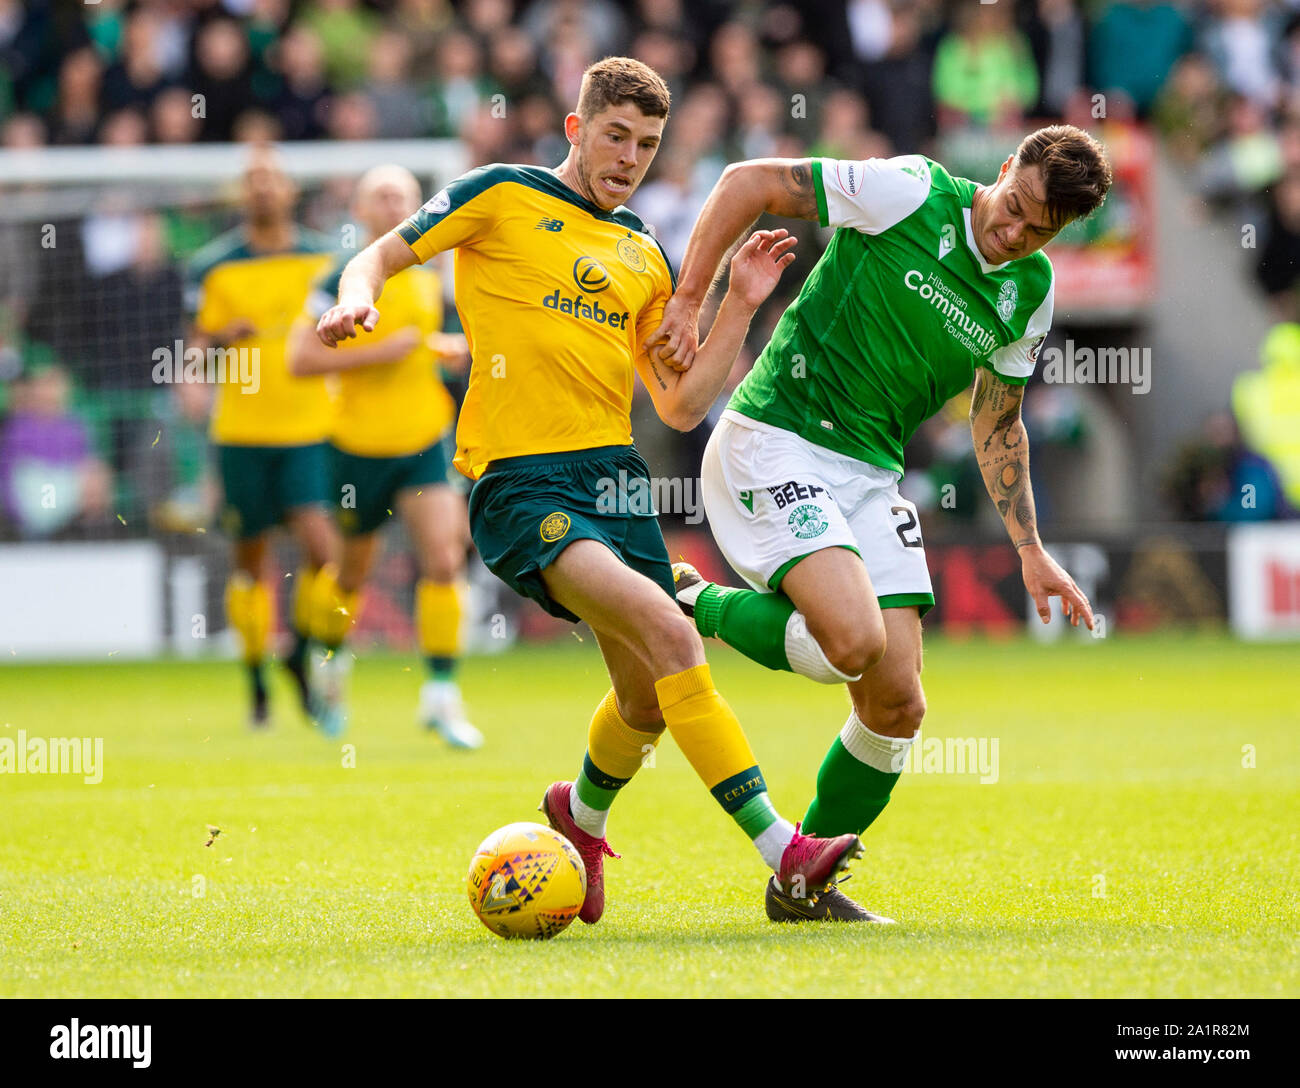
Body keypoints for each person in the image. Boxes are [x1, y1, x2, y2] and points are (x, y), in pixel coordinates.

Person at [315, 57, 863, 923]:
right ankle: (784, 851)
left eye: (647, 145)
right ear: (577, 129)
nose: (630, 157)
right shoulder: (500, 194)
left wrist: (739, 302)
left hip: (617, 480)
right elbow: (378, 257)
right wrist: (353, 302)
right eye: (616, 136)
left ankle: (580, 816)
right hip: (524, 483)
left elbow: (681, 405)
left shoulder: (644, 250)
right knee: (668, 630)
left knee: (645, 695)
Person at [658, 124, 1112, 922]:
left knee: (897, 701)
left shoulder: (1030, 292)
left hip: (868, 476)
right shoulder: (910, 191)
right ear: (1004, 169)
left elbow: (998, 421)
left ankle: (801, 885)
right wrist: (690, 301)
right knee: (853, 643)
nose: (1013, 233)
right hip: (775, 440)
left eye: (1038, 229)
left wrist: (1031, 550)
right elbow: (746, 179)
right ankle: (693, 602)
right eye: (1013, 206)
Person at [287, 164, 480, 745]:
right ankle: (330, 664)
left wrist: (447, 349)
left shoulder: (432, 274)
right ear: (360, 209)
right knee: (350, 575)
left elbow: (432, 343)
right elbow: (300, 360)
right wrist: (383, 354)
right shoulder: (337, 278)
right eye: (381, 195)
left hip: (423, 440)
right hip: (357, 448)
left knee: (444, 560)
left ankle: (442, 696)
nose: (394, 203)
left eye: (404, 195)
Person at [186, 146, 340, 728]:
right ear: (240, 195)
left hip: (309, 428)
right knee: (250, 561)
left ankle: (297, 653)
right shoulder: (213, 266)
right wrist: (216, 345)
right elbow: (194, 352)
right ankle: (255, 679)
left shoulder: (325, 258)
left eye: (271, 179)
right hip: (242, 433)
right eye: (251, 181)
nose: (262, 189)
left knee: (323, 552)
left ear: (290, 190)